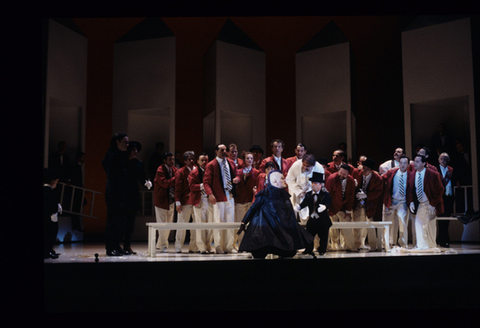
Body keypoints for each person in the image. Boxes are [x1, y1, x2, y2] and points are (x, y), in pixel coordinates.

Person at [237, 170, 314, 258]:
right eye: (282, 178)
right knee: (260, 251)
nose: (284, 180)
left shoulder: (284, 195)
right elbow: (253, 208)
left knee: (290, 252)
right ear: (275, 181)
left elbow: (290, 214)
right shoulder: (264, 194)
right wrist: (244, 222)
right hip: (265, 233)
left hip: (281, 231)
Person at [203, 143, 238, 254]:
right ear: (216, 151)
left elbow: (237, 175)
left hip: (229, 195)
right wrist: (210, 194)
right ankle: (218, 246)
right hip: (218, 196)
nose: (224, 151)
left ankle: (228, 246)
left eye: (225, 150)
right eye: (221, 150)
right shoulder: (211, 165)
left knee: (230, 221)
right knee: (218, 221)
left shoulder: (231, 163)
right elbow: (206, 182)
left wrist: (237, 179)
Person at [407, 155, 444, 250]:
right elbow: (410, 189)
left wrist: (433, 204)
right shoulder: (412, 174)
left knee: (430, 225)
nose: (415, 163)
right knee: (418, 225)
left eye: (418, 161)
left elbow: (440, 189)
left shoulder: (433, 174)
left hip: (430, 202)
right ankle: (422, 245)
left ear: (424, 163)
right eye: (415, 161)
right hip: (420, 203)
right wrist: (411, 202)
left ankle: (431, 245)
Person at [102, 133, 130, 256]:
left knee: (120, 221)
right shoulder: (112, 155)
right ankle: (110, 248)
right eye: (125, 142)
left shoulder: (119, 155)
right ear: (117, 142)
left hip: (119, 192)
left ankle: (116, 246)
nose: (127, 145)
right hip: (114, 192)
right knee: (113, 221)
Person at [294, 172, 332, 256]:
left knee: (323, 236)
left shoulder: (325, 194)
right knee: (309, 235)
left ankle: (322, 249)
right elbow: (305, 203)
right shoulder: (309, 194)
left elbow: (329, 202)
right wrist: (299, 207)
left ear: (320, 185)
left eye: (315, 183)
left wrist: (325, 207)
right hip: (312, 218)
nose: (313, 185)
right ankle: (308, 249)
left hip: (323, 220)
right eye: (312, 183)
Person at [124, 141, 151, 255]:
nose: (135, 152)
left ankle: (127, 245)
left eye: (136, 150)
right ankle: (116, 245)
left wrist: (146, 182)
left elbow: (142, 177)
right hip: (121, 192)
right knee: (119, 221)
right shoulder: (122, 162)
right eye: (133, 149)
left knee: (130, 222)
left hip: (132, 193)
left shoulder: (139, 163)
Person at [352, 158, 383, 251]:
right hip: (357, 202)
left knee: (370, 224)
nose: (364, 171)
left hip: (370, 203)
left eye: (367, 169)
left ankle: (373, 246)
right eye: (363, 168)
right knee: (356, 223)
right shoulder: (356, 173)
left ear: (371, 170)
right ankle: (357, 245)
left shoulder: (377, 178)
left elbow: (378, 192)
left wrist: (366, 195)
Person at [325, 163, 357, 251]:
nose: (342, 175)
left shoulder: (351, 181)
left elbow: (351, 196)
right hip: (332, 206)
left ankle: (350, 246)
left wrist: (348, 210)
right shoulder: (332, 178)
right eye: (341, 173)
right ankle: (334, 246)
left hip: (343, 206)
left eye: (344, 174)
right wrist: (327, 208)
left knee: (347, 226)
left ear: (348, 174)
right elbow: (327, 194)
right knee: (333, 228)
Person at [382, 155, 411, 248]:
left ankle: (403, 243)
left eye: (405, 163)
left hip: (403, 202)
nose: (402, 165)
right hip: (391, 200)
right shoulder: (392, 172)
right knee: (389, 223)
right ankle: (389, 243)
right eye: (401, 163)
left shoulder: (411, 175)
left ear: (408, 164)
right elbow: (381, 179)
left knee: (402, 223)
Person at [285, 154, 324, 222]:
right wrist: (299, 191)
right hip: (296, 192)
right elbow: (289, 180)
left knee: (309, 214)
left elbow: (320, 184)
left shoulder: (319, 168)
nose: (305, 168)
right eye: (304, 165)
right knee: (293, 214)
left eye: (308, 166)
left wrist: (309, 192)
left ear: (313, 165)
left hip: (311, 192)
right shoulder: (296, 165)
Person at [234, 151, 259, 250]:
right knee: (240, 224)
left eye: (251, 158)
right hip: (240, 200)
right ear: (244, 160)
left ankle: (250, 246)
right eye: (247, 158)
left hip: (250, 201)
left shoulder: (256, 172)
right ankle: (240, 245)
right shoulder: (238, 172)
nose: (249, 160)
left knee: (251, 224)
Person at [189, 153, 214, 254]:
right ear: (198, 162)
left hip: (210, 201)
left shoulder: (211, 172)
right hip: (199, 200)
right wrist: (202, 186)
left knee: (211, 225)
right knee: (200, 225)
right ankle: (201, 247)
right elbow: (191, 186)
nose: (204, 162)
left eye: (206, 160)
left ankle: (208, 245)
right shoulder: (194, 173)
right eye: (202, 160)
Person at [153, 152, 177, 253]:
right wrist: (177, 178)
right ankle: (163, 245)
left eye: (173, 159)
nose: (172, 161)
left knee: (169, 224)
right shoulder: (160, 170)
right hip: (161, 200)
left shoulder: (174, 169)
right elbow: (164, 183)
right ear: (165, 160)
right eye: (170, 159)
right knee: (162, 223)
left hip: (171, 200)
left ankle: (160, 243)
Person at [174, 151, 197, 253]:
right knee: (181, 225)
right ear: (184, 161)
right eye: (189, 159)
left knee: (196, 226)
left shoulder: (197, 170)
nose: (191, 161)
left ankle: (193, 247)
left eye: (193, 159)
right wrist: (178, 202)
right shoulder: (181, 171)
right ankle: (178, 247)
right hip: (185, 201)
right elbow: (178, 188)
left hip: (196, 201)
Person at [436, 152, 458, 247]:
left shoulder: (451, 170)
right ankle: (442, 239)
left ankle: (443, 239)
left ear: (448, 160)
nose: (443, 160)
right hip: (441, 198)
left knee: (447, 219)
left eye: (445, 159)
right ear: (438, 160)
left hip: (449, 197)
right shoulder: (436, 170)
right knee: (441, 219)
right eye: (441, 158)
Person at [43, 168, 62, 259]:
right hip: (49, 218)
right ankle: (48, 251)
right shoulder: (50, 191)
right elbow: (52, 206)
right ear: (53, 181)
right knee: (51, 233)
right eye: (56, 181)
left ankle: (48, 250)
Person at [69, 150, 86, 232]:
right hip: (75, 191)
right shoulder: (75, 166)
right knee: (76, 208)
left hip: (78, 190)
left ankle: (76, 225)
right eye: (82, 157)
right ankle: (76, 225)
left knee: (78, 206)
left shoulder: (78, 166)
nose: (84, 159)